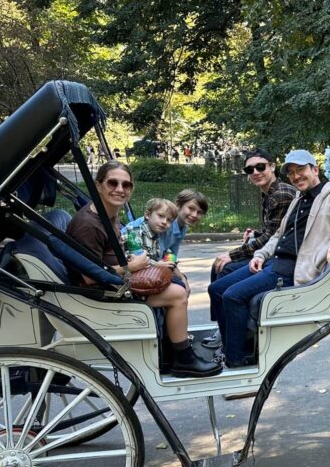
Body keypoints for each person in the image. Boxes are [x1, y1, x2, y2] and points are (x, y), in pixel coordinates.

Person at [208, 149, 330, 368]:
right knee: (216, 289)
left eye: (301, 170)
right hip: (273, 262)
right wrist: (260, 254)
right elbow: (278, 234)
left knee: (232, 296)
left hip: (291, 271)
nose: (296, 176)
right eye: (292, 173)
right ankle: (232, 344)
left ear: (315, 169)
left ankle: (236, 360)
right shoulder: (298, 197)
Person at [65, 161, 221, 377]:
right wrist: (131, 266)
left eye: (126, 185)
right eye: (113, 182)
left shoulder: (109, 215)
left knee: (175, 284)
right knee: (177, 294)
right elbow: (90, 278)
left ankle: (167, 351)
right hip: (104, 292)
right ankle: (183, 359)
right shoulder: (88, 224)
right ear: (98, 184)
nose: (120, 189)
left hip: (119, 281)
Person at [201, 149, 296, 349]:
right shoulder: (269, 192)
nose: (255, 172)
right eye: (249, 169)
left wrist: (232, 254)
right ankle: (223, 325)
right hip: (271, 250)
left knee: (224, 267)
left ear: (272, 167)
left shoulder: (281, 194)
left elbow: (274, 237)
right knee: (218, 266)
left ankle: (233, 333)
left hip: (278, 257)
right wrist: (254, 234)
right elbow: (272, 230)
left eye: (260, 167)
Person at [159, 189, 208, 259]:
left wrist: (174, 266)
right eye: (191, 208)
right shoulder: (164, 224)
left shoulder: (182, 227)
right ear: (178, 205)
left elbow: (172, 255)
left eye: (199, 212)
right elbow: (157, 256)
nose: (195, 215)